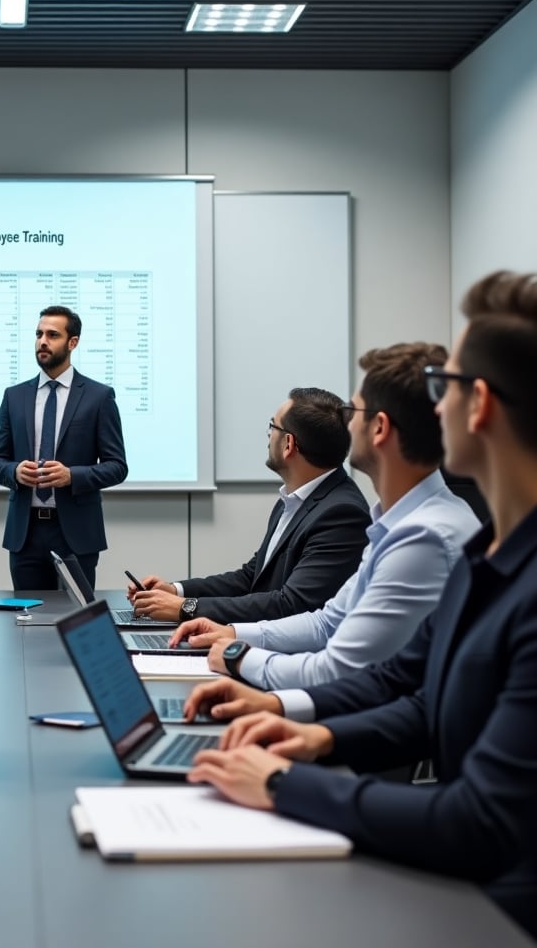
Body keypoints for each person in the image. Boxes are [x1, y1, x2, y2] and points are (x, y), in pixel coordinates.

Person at [188, 271, 537, 938]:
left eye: (446, 388)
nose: (434, 409)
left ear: (480, 405)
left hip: (501, 908)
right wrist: (311, 731)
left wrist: (284, 785)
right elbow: (415, 692)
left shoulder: (471, 550)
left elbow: (480, 822)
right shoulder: (483, 550)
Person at [168, 343, 480, 689]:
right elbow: (326, 623)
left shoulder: (424, 537)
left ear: (379, 428)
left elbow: (337, 669)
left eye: (353, 410)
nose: (345, 425)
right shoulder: (400, 522)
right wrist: (232, 632)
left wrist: (237, 655)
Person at [130, 388, 370, 623]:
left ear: (289, 444)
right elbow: (250, 578)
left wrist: (187, 608)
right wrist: (176, 591)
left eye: (272, 426)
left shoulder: (341, 514)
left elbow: (291, 605)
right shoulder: (293, 500)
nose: (268, 435)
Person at [0, 306, 127, 590]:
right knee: (27, 624)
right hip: (25, 534)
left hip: (75, 533)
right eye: (39, 334)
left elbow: (117, 466)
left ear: (72, 342)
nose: (42, 341)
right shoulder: (14, 397)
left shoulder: (98, 397)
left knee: (77, 621)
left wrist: (71, 476)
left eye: (52, 335)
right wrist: (14, 472)